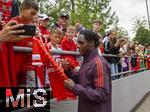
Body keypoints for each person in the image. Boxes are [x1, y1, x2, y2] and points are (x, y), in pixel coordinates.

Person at [64, 29, 112, 112]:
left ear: (92, 43)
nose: (77, 46)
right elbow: (82, 79)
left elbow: (102, 95)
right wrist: (67, 70)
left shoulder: (99, 64)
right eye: (77, 42)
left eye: (81, 43)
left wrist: (74, 87)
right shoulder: (86, 60)